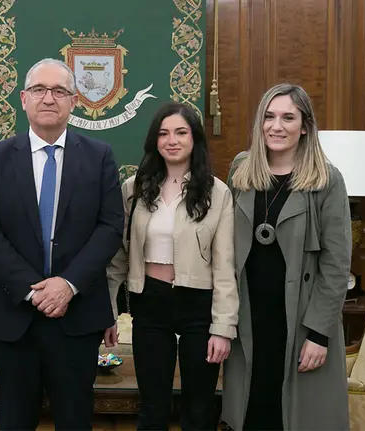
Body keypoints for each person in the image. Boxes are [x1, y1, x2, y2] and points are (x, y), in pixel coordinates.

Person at [0, 58, 123, 430]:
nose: (48, 98)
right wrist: (33, 290)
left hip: (78, 313)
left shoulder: (100, 156)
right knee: (15, 419)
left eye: (59, 91)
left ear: (74, 102)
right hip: (12, 312)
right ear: (24, 99)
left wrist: (67, 285)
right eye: (39, 90)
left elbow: (110, 227)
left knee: (74, 418)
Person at [222, 83, 351, 430]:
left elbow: (336, 265)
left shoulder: (326, 180)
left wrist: (319, 334)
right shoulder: (241, 170)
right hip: (249, 316)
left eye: (288, 117)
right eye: (269, 116)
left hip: (299, 318)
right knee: (251, 411)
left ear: (305, 125)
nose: (276, 126)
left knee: (295, 417)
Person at [107, 101, 239, 430]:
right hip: (150, 302)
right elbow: (117, 259)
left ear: (195, 139)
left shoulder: (218, 193)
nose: (172, 140)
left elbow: (225, 267)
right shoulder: (133, 189)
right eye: (164, 133)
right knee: (152, 405)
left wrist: (223, 328)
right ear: (154, 140)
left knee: (199, 407)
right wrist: (107, 311)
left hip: (199, 306)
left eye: (181, 132)